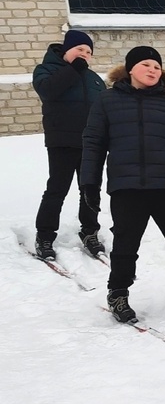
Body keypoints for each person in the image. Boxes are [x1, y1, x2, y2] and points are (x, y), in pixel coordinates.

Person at [80, 46, 165, 324]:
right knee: (125, 245)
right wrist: (89, 184)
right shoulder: (107, 101)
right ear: (130, 69)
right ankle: (118, 293)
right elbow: (93, 144)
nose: (153, 70)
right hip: (127, 187)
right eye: (146, 65)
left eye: (157, 66)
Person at [32, 29, 107, 259]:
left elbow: (104, 109)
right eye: (79, 49)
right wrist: (73, 70)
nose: (84, 54)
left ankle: (89, 232)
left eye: (88, 51)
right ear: (66, 50)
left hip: (92, 144)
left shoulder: (94, 78)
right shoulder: (46, 70)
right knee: (57, 190)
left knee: (90, 190)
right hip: (62, 142)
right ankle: (44, 236)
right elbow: (48, 91)